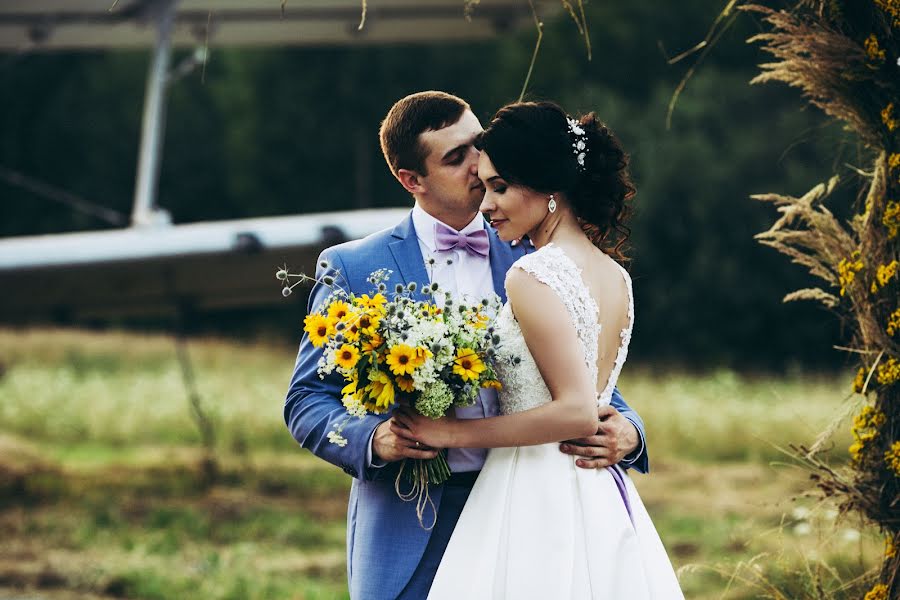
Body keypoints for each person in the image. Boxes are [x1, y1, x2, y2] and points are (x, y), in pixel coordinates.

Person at [284, 91, 649, 600]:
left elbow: (578, 371)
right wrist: (374, 439)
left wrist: (629, 431)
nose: (478, 166)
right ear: (411, 180)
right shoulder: (354, 268)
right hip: (405, 520)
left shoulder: (536, 253)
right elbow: (305, 401)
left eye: (477, 146)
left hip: (527, 509)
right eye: (455, 158)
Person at [393, 101, 683, 599]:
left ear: (549, 189)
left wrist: (447, 431)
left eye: (501, 188)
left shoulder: (531, 273)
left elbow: (575, 412)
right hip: (595, 491)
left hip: (531, 492)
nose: (487, 204)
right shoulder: (616, 275)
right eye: (486, 187)